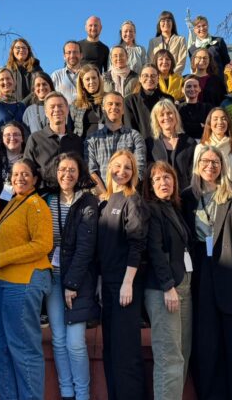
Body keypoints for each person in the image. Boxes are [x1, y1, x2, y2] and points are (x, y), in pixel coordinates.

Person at [181, 147, 232, 399]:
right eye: (205, 161)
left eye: (215, 162)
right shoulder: (187, 196)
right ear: (196, 165)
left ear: (223, 166)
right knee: (206, 345)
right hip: (200, 274)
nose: (210, 166)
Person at [0, 159, 54, 400]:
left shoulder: (36, 204)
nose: (20, 178)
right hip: (4, 281)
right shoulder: (14, 202)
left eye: (25, 174)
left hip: (25, 282)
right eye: (15, 174)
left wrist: (2, 258)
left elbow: (42, 244)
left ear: (35, 179)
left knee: (24, 349)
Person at [43, 153, 99, 400]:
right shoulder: (47, 200)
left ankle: (82, 394)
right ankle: (67, 392)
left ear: (79, 174)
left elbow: (86, 246)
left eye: (72, 170)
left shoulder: (87, 201)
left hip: (78, 280)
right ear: (55, 172)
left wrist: (72, 284)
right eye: (63, 169)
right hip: (52, 278)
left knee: (75, 342)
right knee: (58, 339)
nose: (67, 174)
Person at [97, 150, 150, 400]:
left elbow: (137, 244)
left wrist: (128, 283)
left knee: (126, 352)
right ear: (109, 169)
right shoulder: (105, 201)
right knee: (110, 350)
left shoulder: (133, 200)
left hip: (125, 286)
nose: (122, 171)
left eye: (127, 167)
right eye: (117, 166)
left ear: (134, 173)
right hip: (108, 286)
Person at [144, 162, 193, 400]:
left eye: (167, 177)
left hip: (183, 284)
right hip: (164, 289)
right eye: (157, 179)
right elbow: (154, 250)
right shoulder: (152, 209)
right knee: (169, 356)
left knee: (182, 351)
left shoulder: (174, 208)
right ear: (150, 186)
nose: (164, 182)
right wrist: (167, 286)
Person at [85, 92, 147, 195]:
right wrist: (106, 196)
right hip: (102, 198)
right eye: (110, 104)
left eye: (118, 104)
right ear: (103, 108)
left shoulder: (135, 136)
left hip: (128, 196)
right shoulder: (91, 140)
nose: (114, 107)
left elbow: (139, 168)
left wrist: (123, 195)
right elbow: (91, 171)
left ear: (123, 110)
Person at [24, 92, 84, 182]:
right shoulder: (35, 139)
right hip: (44, 190)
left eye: (60, 106)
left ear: (67, 110)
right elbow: (27, 170)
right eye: (52, 107)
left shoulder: (77, 141)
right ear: (46, 112)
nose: (56, 109)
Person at [146, 99, 197, 190]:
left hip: (184, 193)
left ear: (176, 115)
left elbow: (194, 172)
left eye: (169, 113)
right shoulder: (149, 143)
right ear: (156, 120)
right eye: (161, 115)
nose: (166, 117)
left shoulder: (190, 142)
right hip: (159, 194)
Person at [194, 107, 232, 183]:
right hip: (207, 190)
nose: (220, 122)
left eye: (223, 119)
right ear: (209, 123)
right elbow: (196, 176)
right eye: (215, 119)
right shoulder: (201, 148)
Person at [124, 64, 173, 139]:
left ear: (158, 79)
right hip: (140, 143)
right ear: (140, 78)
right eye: (145, 76)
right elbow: (130, 128)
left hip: (164, 142)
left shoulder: (168, 99)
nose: (149, 79)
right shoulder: (129, 101)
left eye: (153, 76)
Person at [0, 121, 27, 202]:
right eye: (7, 135)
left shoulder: (28, 158)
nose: (12, 138)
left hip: (25, 202)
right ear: (2, 139)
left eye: (16, 134)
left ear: (22, 138)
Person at [68, 63, 106, 139]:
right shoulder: (75, 105)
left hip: (106, 141)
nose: (91, 82)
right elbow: (70, 130)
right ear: (82, 83)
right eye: (87, 79)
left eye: (94, 78)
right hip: (82, 143)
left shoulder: (108, 99)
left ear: (99, 79)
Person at [148, 11, 187, 75]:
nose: (166, 23)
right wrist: (156, 75)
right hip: (157, 78)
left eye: (168, 21)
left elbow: (182, 61)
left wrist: (171, 75)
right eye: (163, 21)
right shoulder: (153, 41)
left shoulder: (180, 40)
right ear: (159, 24)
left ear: (173, 23)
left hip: (175, 77)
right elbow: (150, 61)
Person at [178, 75, 213, 140]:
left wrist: (189, 125)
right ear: (182, 89)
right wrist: (200, 125)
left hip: (204, 142)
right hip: (184, 143)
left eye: (195, 86)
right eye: (189, 86)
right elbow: (180, 128)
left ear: (199, 89)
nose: (192, 89)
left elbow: (210, 128)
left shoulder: (207, 108)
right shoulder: (177, 108)